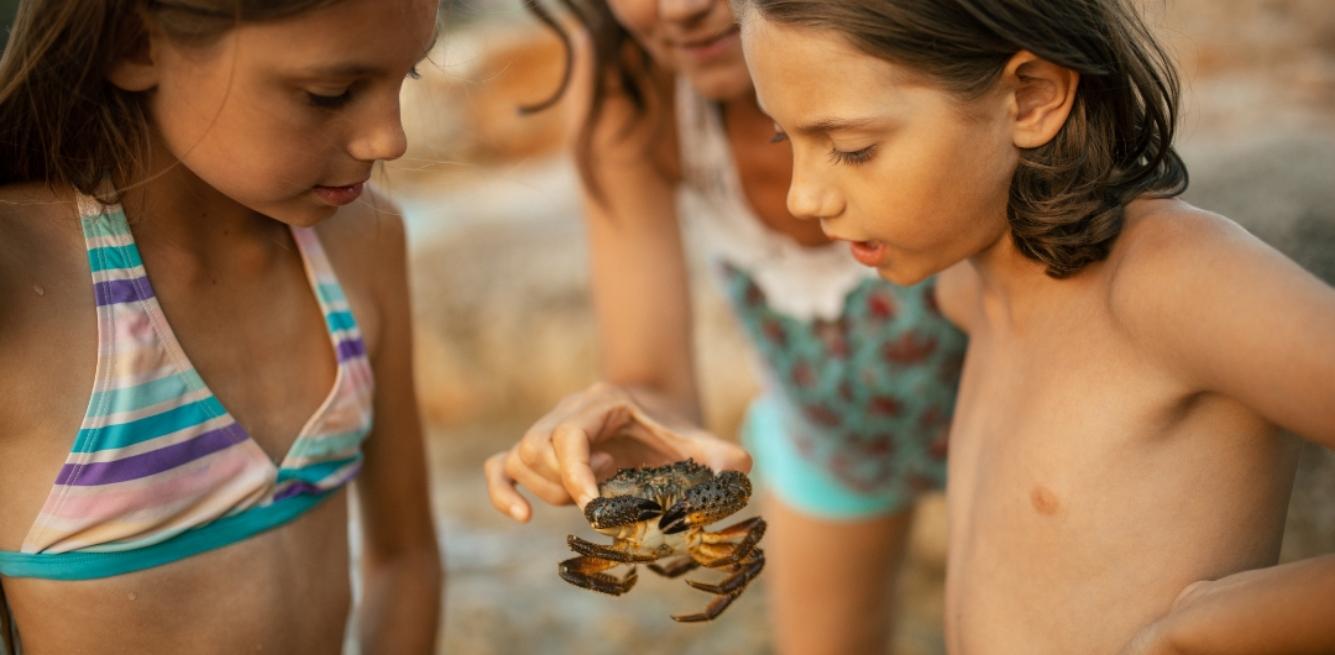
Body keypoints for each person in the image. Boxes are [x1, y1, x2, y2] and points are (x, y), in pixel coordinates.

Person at [728, 0, 1335, 653]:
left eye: (853, 148)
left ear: (1029, 98)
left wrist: (1210, 631)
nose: (802, 196)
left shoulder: (1174, 285)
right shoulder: (965, 288)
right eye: (784, 137)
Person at [484, 0, 964, 650]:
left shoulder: (924, 38)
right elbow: (652, 383)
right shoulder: (630, 88)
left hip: (1008, 427)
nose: (679, 8)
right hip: (823, 438)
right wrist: (620, 409)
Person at [0, 0, 442, 652]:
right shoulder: (21, 280)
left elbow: (404, 554)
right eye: (331, 93)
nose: (389, 138)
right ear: (136, 44)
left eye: (407, 76)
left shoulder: (363, 241)